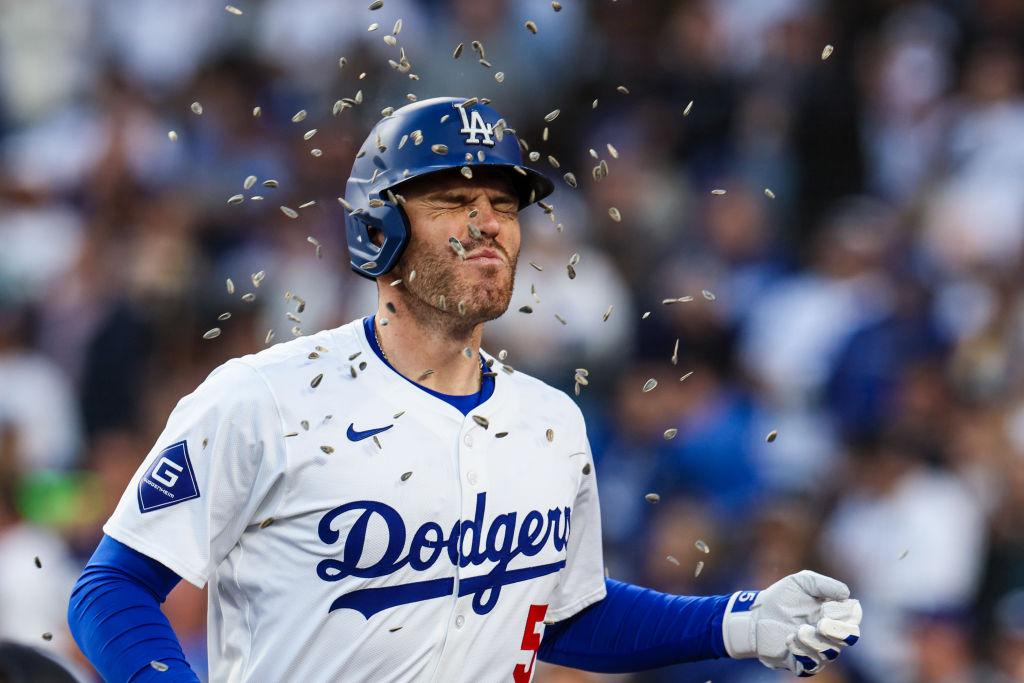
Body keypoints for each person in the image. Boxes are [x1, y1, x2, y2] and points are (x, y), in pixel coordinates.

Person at [67, 97, 861, 682]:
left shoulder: (551, 419)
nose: (490, 224)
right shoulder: (263, 398)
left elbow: (565, 612)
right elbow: (112, 587)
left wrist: (738, 620)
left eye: (505, 205)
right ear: (376, 228)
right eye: (454, 201)